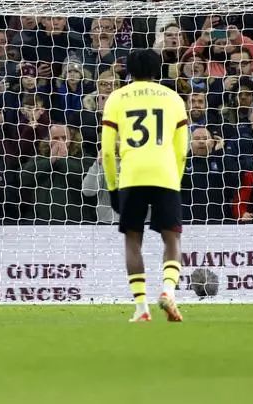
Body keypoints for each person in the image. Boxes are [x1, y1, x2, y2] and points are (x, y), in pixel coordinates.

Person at [100, 48, 189, 323]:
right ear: (158, 70)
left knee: (132, 240)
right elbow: (182, 150)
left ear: (128, 70)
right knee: (172, 238)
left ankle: (141, 308)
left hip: (132, 175)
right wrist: (176, 179)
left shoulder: (117, 97)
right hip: (165, 174)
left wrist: (113, 186)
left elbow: (105, 150)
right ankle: (168, 291)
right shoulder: (173, 98)